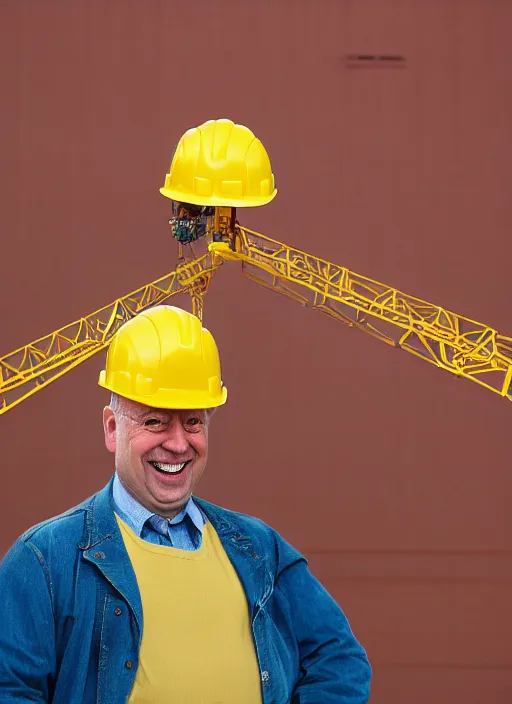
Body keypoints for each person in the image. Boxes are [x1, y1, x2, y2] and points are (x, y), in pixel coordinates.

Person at [0, 304, 371, 703]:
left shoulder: (261, 551)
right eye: (155, 421)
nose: (178, 444)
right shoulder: (44, 561)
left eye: (193, 422)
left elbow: (340, 661)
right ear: (112, 428)